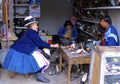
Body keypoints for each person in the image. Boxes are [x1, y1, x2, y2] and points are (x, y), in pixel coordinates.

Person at [3, 16, 59, 83]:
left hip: (15, 50)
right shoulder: (32, 32)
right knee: (41, 60)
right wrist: (53, 45)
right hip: (21, 51)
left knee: (39, 54)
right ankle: (40, 77)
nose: (37, 27)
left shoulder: (27, 32)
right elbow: (40, 43)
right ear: (32, 26)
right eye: (36, 25)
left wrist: (45, 46)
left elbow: (36, 43)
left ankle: (38, 73)